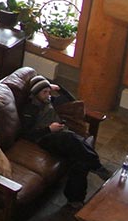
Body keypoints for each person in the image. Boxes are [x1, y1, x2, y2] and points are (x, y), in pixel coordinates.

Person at [20, 75, 110, 208]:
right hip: (44, 138)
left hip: (60, 135)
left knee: (80, 160)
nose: (47, 95)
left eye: (48, 91)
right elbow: (26, 134)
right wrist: (49, 129)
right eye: (44, 92)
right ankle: (97, 166)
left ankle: (75, 200)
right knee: (72, 138)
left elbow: (72, 101)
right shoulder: (30, 109)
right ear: (35, 93)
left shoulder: (50, 100)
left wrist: (59, 89)